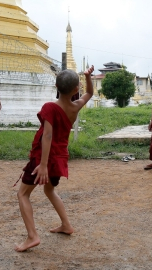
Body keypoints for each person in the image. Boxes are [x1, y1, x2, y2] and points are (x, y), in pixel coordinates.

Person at [15, 66, 94, 252]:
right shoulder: (75, 106)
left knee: (23, 194)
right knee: (49, 190)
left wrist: (42, 165)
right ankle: (66, 225)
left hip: (45, 158)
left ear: (55, 86)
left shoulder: (50, 107)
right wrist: (88, 77)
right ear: (76, 89)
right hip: (60, 157)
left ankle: (32, 236)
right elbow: (90, 92)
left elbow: (47, 136)